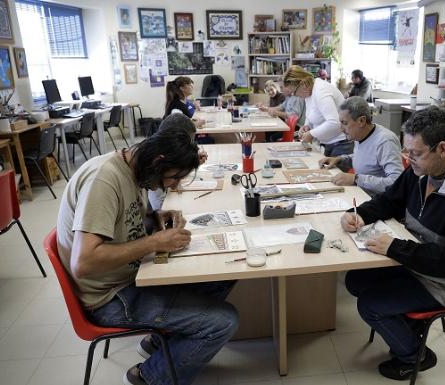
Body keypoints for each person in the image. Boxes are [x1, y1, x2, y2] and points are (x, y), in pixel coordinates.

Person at [56, 122, 237, 385]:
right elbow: (83, 262)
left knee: (224, 272)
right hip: (110, 297)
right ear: (158, 161)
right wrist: (153, 242)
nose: (171, 186)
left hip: (131, 275)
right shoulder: (104, 180)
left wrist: (154, 217)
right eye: (172, 178)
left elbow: (123, 220)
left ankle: (159, 344)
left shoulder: (134, 166)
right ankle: (148, 377)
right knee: (224, 321)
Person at [341, 106, 445, 381]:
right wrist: (359, 214)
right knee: (355, 280)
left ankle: (415, 355)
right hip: (419, 261)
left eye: (416, 153)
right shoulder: (421, 169)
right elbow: (391, 200)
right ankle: (414, 331)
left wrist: (394, 248)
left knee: (370, 304)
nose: (408, 159)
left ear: (443, 149)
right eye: (406, 151)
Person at [318, 97, 403, 196]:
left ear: (361, 121)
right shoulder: (360, 134)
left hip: (379, 202)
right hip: (362, 194)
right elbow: (367, 158)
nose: (341, 129)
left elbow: (397, 183)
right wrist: (340, 159)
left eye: (345, 123)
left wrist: (356, 179)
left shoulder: (385, 142)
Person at [281, 65, 353, 156]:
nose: (295, 96)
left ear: (303, 84)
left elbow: (335, 122)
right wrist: (307, 126)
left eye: (294, 92)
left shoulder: (321, 91)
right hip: (329, 143)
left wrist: (311, 133)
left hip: (341, 144)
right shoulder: (308, 92)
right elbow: (311, 114)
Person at [147, 114, 208, 210]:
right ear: (174, 142)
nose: (190, 150)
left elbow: (174, 178)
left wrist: (190, 164)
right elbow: (159, 206)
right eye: (187, 145)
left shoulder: (166, 156)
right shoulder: (156, 163)